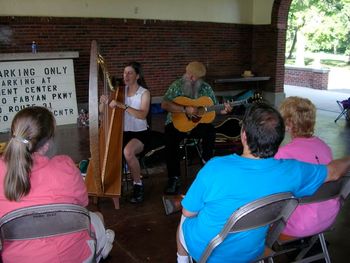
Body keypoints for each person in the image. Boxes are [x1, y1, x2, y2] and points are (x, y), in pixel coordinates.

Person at [176, 102, 350, 263]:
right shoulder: (293, 170)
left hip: (210, 251)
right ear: (279, 137)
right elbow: (334, 171)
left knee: (184, 220)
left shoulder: (215, 168)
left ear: (243, 135)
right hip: (252, 251)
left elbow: (189, 211)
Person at [0, 106, 114, 263]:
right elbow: (82, 204)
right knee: (97, 217)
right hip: (74, 256)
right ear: (47, 144)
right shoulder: (66, 166)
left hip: (17, 258)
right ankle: (101, 246)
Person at [161, 61, 232, 195]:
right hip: (176, 123)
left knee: (210, 130)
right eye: (189, 75)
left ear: (200, 78)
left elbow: (214, 108)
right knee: (170, 137)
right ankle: (174, 177)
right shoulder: (176, 86)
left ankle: (206, 163)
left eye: (194, 77)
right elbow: (164, 104)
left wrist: (224, 110)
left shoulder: (206, 89)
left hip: (197, 124)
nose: (191, 78)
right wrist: (184, 109)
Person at [275, 96, 340, 238]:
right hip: (328, 216)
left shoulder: (284, 154)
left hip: (300, 225)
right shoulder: (324, 146)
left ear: (288, 124)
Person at [100, 61, 150, 203]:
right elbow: (102, 111)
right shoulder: (118, 92)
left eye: (130, 73)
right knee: (109, 152)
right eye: (124, 73)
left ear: (137, 76)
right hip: (122, 132)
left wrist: (123, 105)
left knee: (128, 152)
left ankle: (138, 185)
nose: (126, 75)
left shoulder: (144, 93)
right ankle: (115, 185)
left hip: (140, 133)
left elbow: (142, 115)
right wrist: (103, 103)